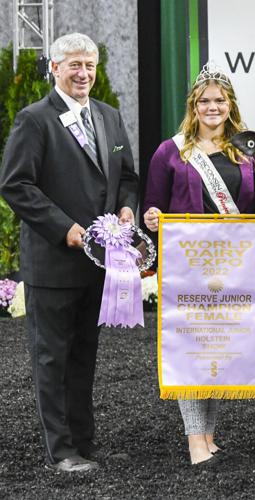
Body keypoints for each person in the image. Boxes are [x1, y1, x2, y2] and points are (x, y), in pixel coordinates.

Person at [0, 33, 138, 473]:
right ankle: (61, 451)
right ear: (55, 69)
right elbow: (16, 184)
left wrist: (127, 208)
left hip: (100, 266)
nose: (83, 74)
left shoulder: (111, 118)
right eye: (74, 65)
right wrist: (67, 230)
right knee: (52, 359)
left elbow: (126, 176)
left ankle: (84, 443)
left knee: (84, 356)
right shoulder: (34, 119)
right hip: (54, 263)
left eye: (90, 66)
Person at [142, 63, 255, 466]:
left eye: (220, 100)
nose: (213, 107)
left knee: (219, 345)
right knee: (190, 347)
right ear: (194, 105)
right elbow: (153, 202)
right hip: (188, 265)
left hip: (234, 265)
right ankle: (194, 439)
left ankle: (209, 433)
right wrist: (151, 215)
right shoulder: (171, 150)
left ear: (230, 104)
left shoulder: (249, 152)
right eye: (205, 101)